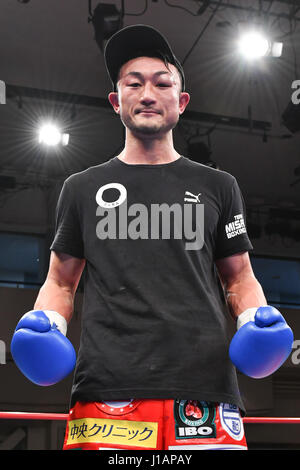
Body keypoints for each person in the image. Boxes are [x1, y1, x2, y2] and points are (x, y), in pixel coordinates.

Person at [11, 24, 293, 451]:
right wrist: (48, 323)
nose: (147, 94)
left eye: (162, 84)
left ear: (180, 103)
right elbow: (60, 281)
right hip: (107, 392)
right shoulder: (82, 188)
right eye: (134, 83)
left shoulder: (219, 186)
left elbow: (239, 278)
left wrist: (254, 317)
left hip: (205, 390)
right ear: (116, 100)